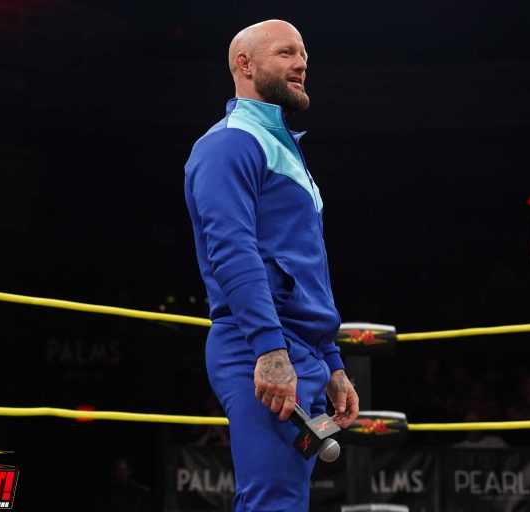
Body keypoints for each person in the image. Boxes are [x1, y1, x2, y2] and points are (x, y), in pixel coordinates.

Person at [183, 19, 359, 511]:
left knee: (283, 499)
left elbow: (306, 268)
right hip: (258, 344)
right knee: (273, 501)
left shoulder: (283, 147)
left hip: (297, 348)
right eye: (285, 53)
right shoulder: (229, 143)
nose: (301, 64)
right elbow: (231, 251)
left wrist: (331, 362)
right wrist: (268, 349)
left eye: (303, 55)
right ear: (245, 64)